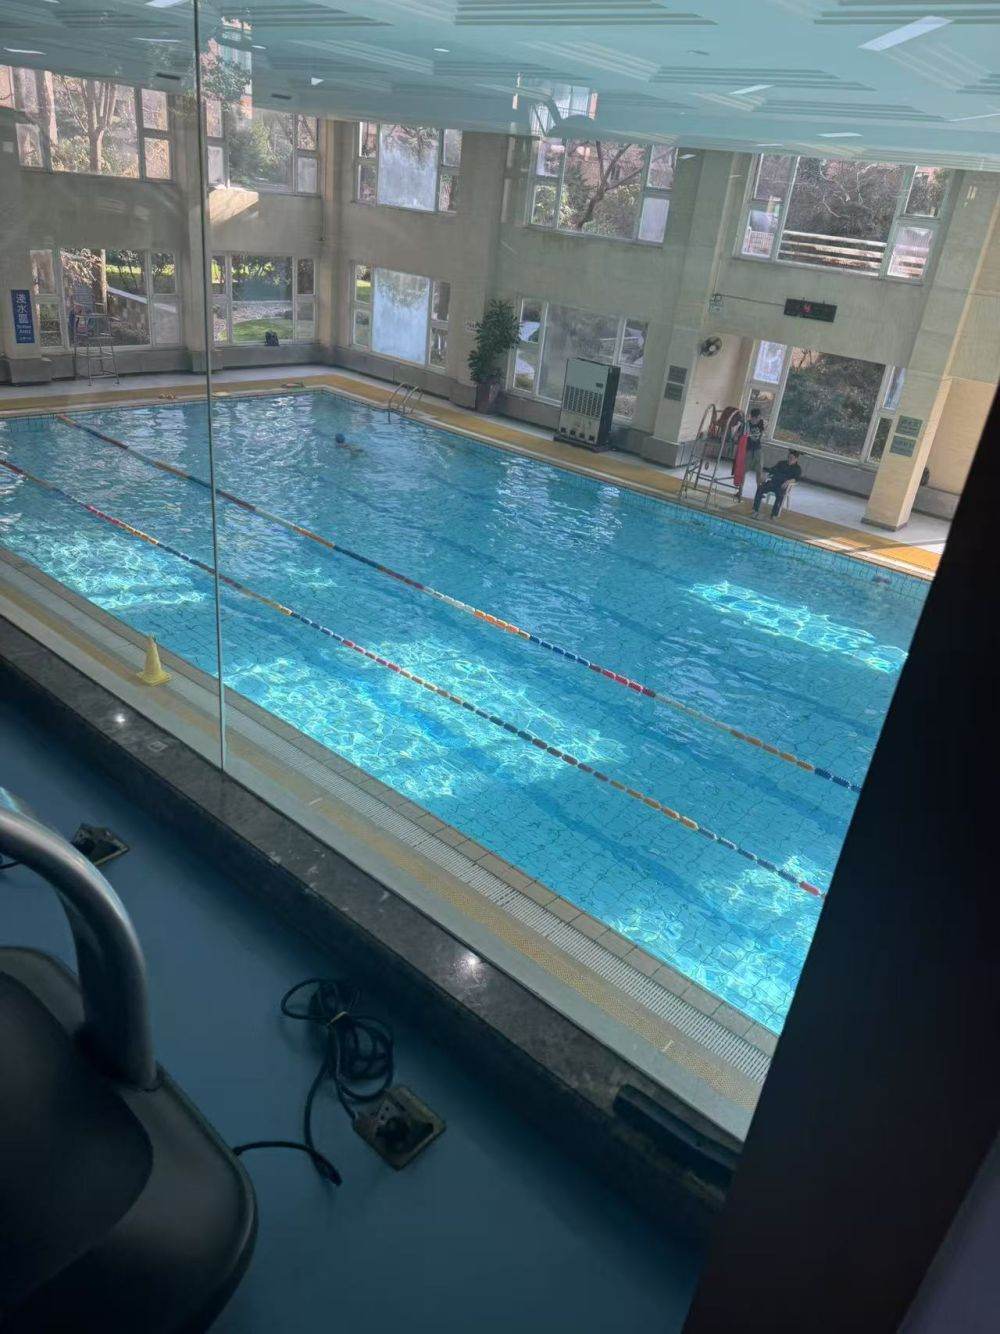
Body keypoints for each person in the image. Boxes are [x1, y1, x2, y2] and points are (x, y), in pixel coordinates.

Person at [752, 450, 802, 519]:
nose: (790, 459)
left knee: (780, 496)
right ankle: (755, 509)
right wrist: (766, 475)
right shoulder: (781, 463)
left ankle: (774, 514)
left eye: (792, 458)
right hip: (773, 482)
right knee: (760, 488)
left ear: (796, 459)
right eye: (789, 457)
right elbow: (772, 470)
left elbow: (796, 479)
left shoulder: (797, 468)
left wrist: (788, 482)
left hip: (782, 486)